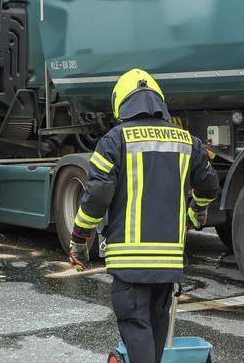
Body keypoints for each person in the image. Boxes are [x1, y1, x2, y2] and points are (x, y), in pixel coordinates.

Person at [67, 68, 220, 363]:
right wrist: (196, 210)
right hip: (168, 264)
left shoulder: (114, 141)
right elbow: (209, 185)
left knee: (137, 333)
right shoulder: (187, 142)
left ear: (121, 104)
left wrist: (79, 239)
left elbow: (97, 195)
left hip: (130, 263)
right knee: (154, 335)